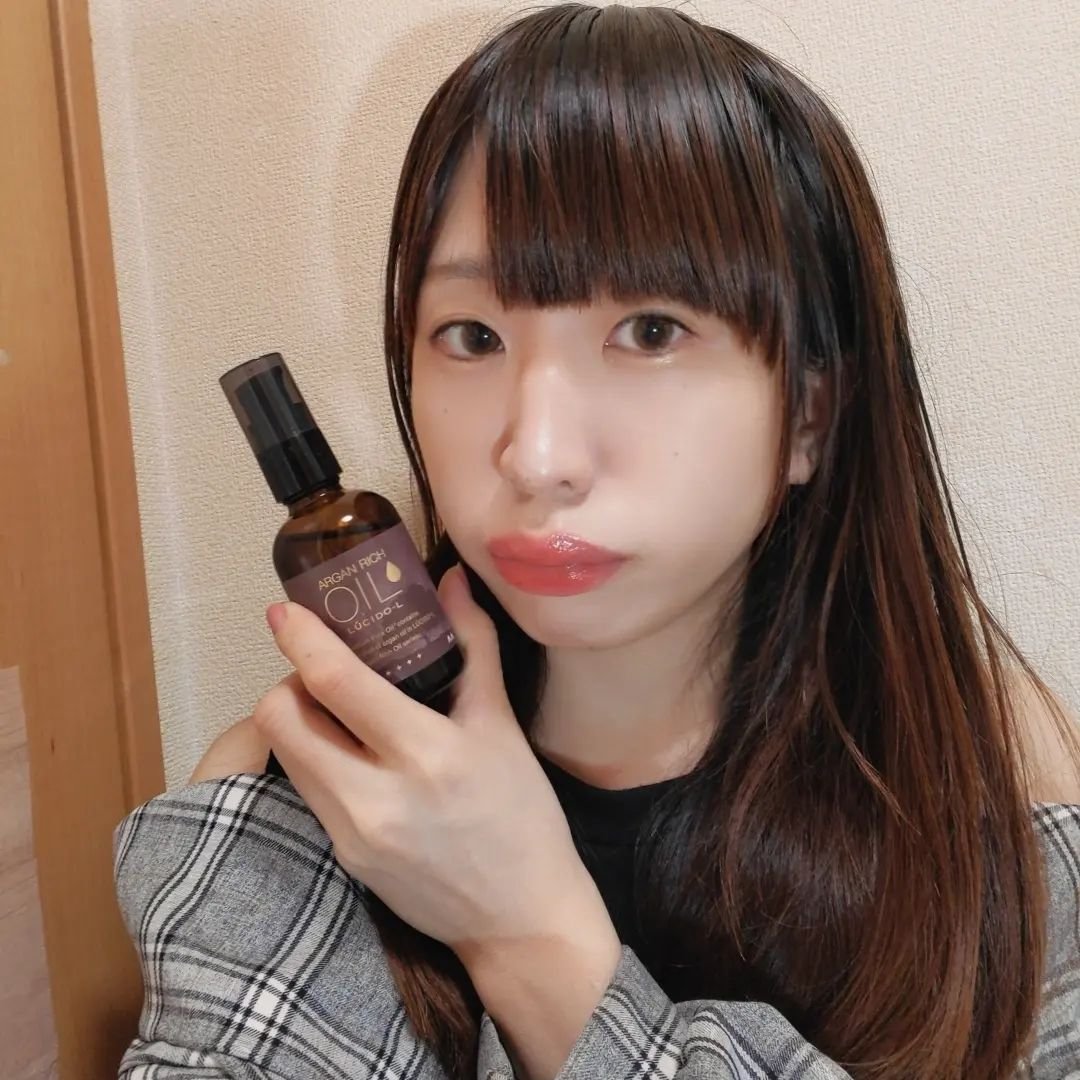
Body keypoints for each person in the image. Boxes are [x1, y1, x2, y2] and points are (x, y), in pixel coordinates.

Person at [112, 4, 1080, 1078]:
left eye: (651, 331)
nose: (535, 456)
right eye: (472, 336)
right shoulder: (294, 787)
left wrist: (525, 933)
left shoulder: (988, 774)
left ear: (810, 415)